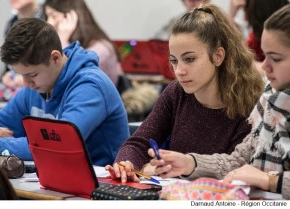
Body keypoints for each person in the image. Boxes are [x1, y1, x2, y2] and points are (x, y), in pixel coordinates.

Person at [105, 4, 265, 183]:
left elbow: (236, 168)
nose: (179, 71)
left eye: (189, 59)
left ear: (218, 56)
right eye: (174, 61)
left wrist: (168, 168)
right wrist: (126, 165)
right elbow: (138, 143)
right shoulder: (177, 92)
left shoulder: (252, 103)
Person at [148, 4, 290, 200]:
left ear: (218, 56)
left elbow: (256, 174)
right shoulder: (272, 101)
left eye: (275, 58)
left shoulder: (261, 100)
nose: (264, 66)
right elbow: (238, 160)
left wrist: (270, 180)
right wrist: (190, 163)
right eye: (264, 55)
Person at [0, 18, 129, 166]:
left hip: (102, 182)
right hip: (55, 179)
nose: (25, 84)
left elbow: (58, 145)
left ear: (55, 58)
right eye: (20, 75)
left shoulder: (90, 86)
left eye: (32, 75)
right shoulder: (36, 87)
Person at [43, 0, 127, 94]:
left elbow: (68, 79)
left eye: (53, 16)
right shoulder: (72, 44)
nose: (49, 22)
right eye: (47, 16)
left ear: (71, 17)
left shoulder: (100, 48)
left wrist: (62, 41)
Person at [229, 0, 289, 78]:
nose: (244, 18)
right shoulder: (256, 38)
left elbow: (244, 63)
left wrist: (230, 19)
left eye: (275, 59)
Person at [1, 0, 45, 88]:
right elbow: (8, 66)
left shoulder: (50, 17)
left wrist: (29, 77)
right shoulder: (11, 24)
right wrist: (7, 76)